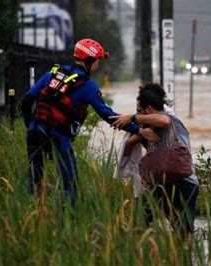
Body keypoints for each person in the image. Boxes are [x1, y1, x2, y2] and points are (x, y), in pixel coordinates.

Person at [21, 38, 157, 208]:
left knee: (35, 180)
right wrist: (138, 130)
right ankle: (67, 222)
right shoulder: (87, 85)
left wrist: (30, 125)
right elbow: (107, 115)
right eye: (98, 60)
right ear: (89, 60)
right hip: (58, 138)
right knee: (70, 184)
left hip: (34, 133)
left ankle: (32, 216)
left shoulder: (52, 74)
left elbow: (27, 99)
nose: (98, 65)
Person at [110, 83, 199, 236]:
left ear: (149, 110)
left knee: (183, 232)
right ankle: (147, 252)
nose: (138, 114)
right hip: (165, 185)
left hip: (184, 184)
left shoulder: (169, 119)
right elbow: (128, 150)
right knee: (135, 219)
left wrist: (132, 118)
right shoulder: (147, 130)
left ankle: (178, 256)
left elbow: (164, 121)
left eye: (140, 111)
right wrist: (135, 136)